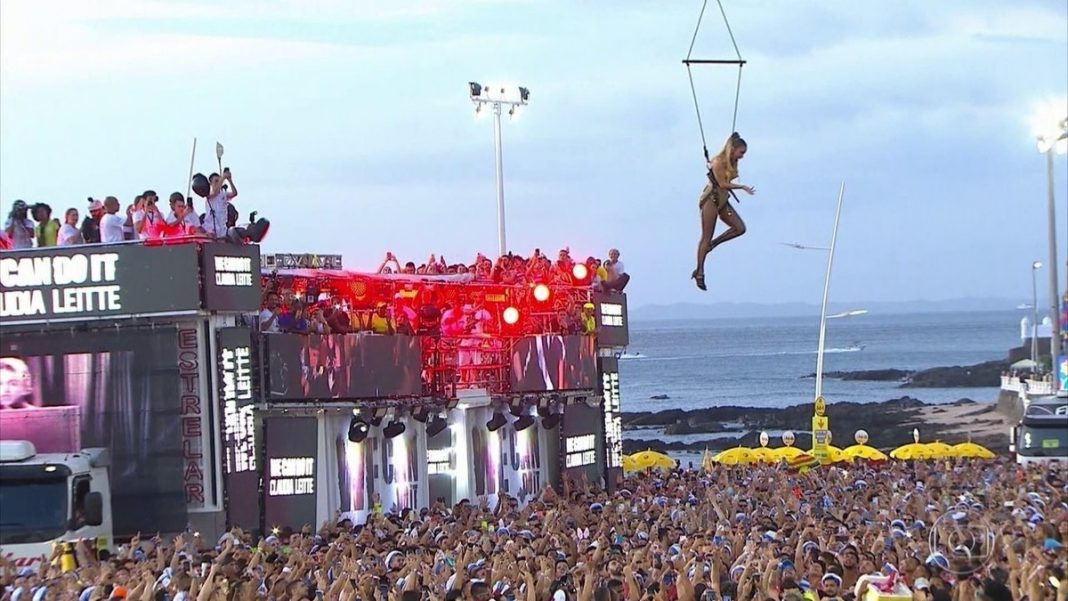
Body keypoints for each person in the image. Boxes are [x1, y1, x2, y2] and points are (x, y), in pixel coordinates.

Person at [693, 132, 756, 291]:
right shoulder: (718, 162)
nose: (742, 156)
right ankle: (699, 271)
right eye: (741, 152)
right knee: (706, 236)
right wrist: (742, 187)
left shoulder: (731, 161)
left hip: (722, 200)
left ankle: (714, 244)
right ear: (733, 149)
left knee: (740, 228)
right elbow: (722, 183)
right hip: (711, 200)